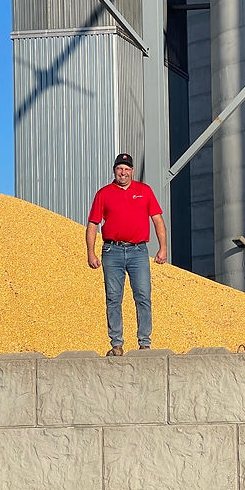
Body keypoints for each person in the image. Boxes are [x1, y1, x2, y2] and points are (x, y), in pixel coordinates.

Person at [86, 153, 168, 356]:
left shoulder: (144, 191)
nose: (123, 172)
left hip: (138, 251)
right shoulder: (104, 194)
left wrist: (163, 247)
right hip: (111, 251)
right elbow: (93, 224)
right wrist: (90, 252)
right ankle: (116, 344)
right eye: (119, 168)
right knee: (113, 298)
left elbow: (157, 220)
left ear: (132, 171)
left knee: (143, 296)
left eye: (126, 169)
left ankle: (144, 343)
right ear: (114, 170)